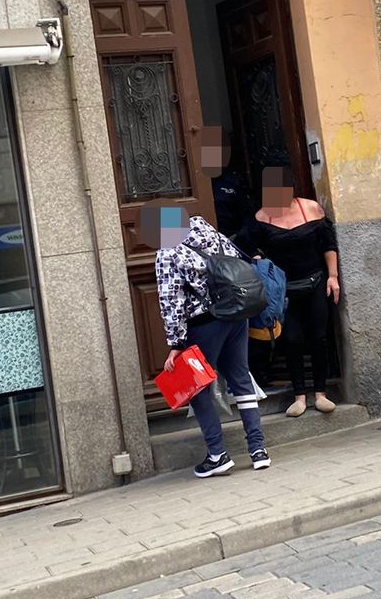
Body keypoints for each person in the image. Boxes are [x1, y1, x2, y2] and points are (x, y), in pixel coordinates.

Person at [145, 203, 269, 477]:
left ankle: (217, 455)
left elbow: (171, 300)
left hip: (204, 323)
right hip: (236, 314)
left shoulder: (168, 251)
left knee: (196, 386)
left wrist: (176, 344)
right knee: (241, 379)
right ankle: (258, 450)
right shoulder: (209, 232)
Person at [236, 166, 340, 418]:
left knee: (318, 336)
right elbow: (246, 244)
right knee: (291, 340)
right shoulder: (261, 217)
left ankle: (321, 393)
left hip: (315, 282)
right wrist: (258, 258)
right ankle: (299, 396)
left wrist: (333, 277)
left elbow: (328, 244)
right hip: (283, 291)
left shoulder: (311, 208)